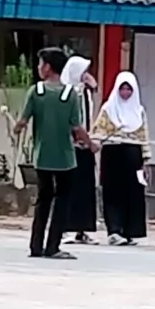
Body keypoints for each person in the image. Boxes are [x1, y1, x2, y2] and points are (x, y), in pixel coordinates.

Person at [15, 47, 97, 259]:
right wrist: (91, 144)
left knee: (43, 199)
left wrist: (17, 127)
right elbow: (77, 128)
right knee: (62, 201)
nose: (39, 67)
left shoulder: (36, 91)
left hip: (42, 156)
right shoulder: (70, 95)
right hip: (65, 158)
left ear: (48, 67)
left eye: (40, 64)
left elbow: (22, 121)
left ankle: (36, 246)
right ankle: (53, 246)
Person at [91, 71, 151, 246]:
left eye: (129, 89)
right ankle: (114, 230)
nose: (125, 93)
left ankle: (130, 231)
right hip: (113, 154)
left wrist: (147, 159)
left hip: (133, 155)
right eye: (122, 89)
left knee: (133, 193)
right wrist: (94, 143)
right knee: (113, 192)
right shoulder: (108, 109)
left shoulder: (139, 111)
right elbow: (98, 131)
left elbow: (144, 136)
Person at [60, 55, 98, 245]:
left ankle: (83, 229)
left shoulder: (85, 93)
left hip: (85, 146)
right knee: (69, 188)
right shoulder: (66, 93)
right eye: (83, 71)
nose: (86, 75)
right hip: (69, 146)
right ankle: (65, 228)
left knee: (86, 189)